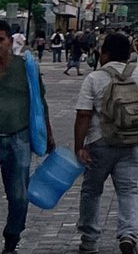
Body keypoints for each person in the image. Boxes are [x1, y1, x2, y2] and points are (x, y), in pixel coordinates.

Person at [74, 31, 138, 254]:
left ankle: (89, 239)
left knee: (92, 191)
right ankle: (128, 235)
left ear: (105, 53)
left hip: (99, 142)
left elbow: (83, 114)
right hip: (132, 143)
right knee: (129, 191)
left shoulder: (95, 78)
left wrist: (79, 146)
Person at [1, 19, 57, 254]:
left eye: (0, 40)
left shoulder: (25, 67)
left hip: (18, 138)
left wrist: (49, 134)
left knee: (19, 195)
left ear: (9, 41)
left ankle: (12, 239)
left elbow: (39, 101)